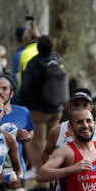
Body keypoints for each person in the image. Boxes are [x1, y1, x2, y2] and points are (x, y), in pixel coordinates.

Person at [20, 35, 68, 182]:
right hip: (57, 108)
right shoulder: (58, 60)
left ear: (38, 48)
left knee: (38, 143)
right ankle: (55, 172)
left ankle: (43, 176)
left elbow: (25, 87)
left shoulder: (34, 64)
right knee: (53, 142)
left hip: (38, 111)